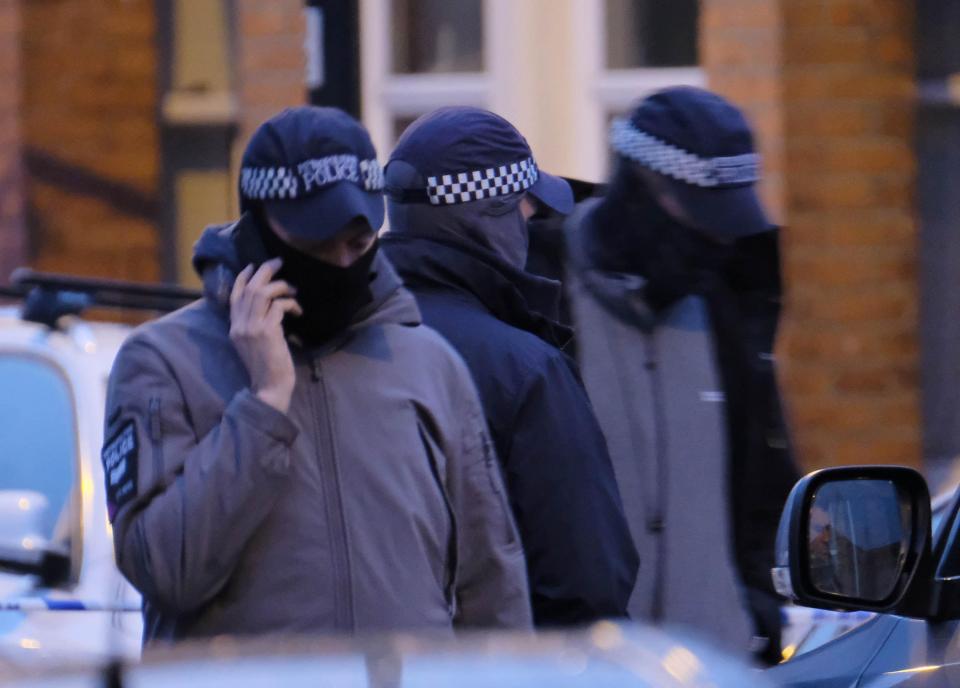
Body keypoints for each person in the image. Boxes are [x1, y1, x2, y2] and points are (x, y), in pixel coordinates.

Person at [101, 106, 532, 644]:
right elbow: (165, 571)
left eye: (357, 244)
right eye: (315, 244)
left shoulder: (429, 364)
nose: (340, 264)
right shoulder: (162, 361)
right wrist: (263, 405)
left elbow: (492, 586)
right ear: (259, 229)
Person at [563, 87, 799, 662]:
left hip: (715, 664)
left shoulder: (728, 307)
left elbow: (764, 485)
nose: (718, 242)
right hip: (580, 669)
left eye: (727, 224)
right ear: (644, 189)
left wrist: (759, 613)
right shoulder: (544, 300)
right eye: (703, 219)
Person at [380, 106, 638, 627]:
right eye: (525, 207)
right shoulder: (524, 370)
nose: (530, 223)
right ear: (489, 216)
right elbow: (585, 583)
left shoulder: (327, 347)